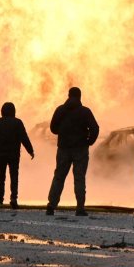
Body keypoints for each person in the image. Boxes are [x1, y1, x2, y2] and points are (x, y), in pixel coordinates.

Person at [46, 86, 100, 217]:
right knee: (79, 178)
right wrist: (89, 141)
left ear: (68, 95)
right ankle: (80, 208)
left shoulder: (60, 110)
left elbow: (53, 128)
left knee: (59, 177)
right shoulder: (85, 112)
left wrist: (63, 132)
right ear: (80, 96)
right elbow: (95, 128)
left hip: (63, 148)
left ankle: (51, 206)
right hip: (80, 149)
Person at [0, 101, 35, 209]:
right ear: (14, 111)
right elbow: (24, 138)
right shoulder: (18, 123)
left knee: (1, 176)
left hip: (1, 154)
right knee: (14, 175)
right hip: (14, 154)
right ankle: (13, 198)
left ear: (2, 111)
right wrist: (30, 150)